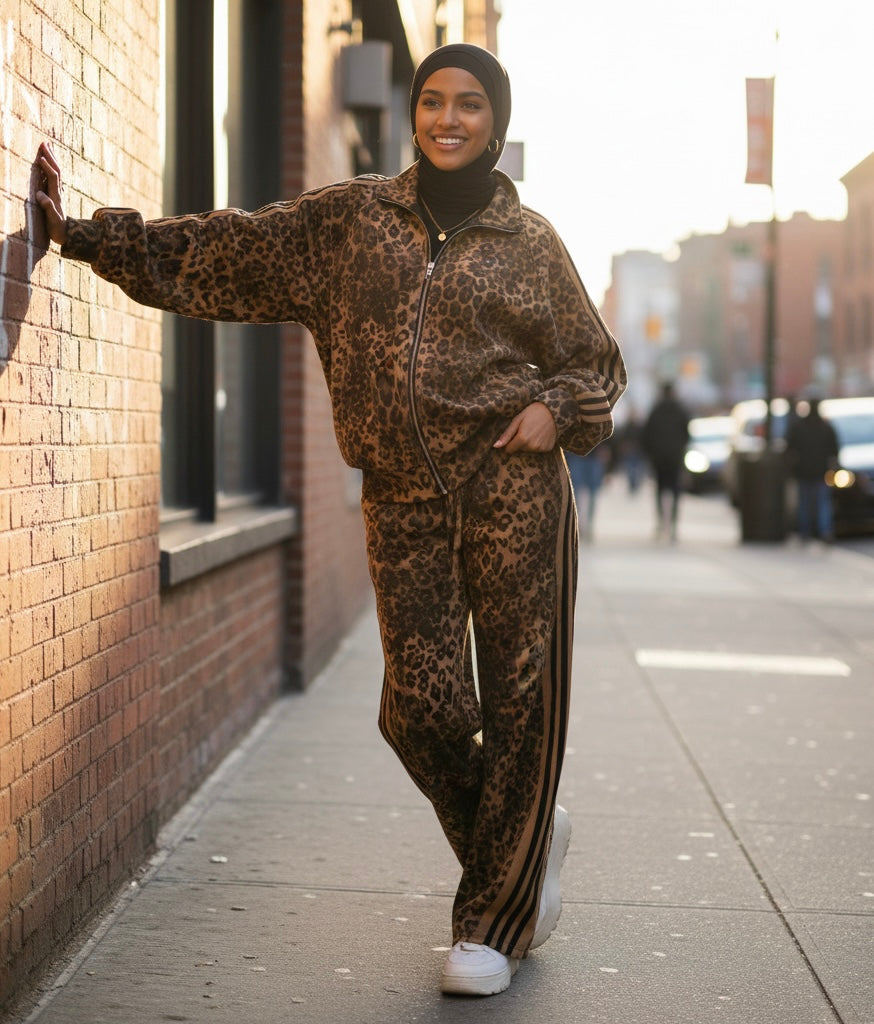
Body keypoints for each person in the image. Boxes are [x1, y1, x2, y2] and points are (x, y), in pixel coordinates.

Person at [36, 43, 626, 998]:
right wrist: (87, 239)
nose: (446, 118)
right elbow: (227, 250)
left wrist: (558, 411)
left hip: (514, 490)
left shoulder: (533, 244)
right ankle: (520, 840)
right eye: (432, 99)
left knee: (522, 705)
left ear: (495, 122)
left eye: (468, 104)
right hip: (402, 498)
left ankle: (492, 923)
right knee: (420, 710)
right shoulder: (353, 222)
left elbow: (596, 365)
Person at [785, 398, 840, 542]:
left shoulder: (799, 426)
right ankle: (824, 531)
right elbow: (835, 449)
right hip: (821, 471)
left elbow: (789, 447)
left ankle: (806, 532)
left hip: (803, 471)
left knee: (805, 503)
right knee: (822, 503)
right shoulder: (825, 427)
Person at [642, 382, 689, 540]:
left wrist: (650, 454)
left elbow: (647, 434)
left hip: (659, 458)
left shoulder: (656, 410)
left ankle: (661, 521)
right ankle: (674, 524)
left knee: (660, 490)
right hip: (675, 458)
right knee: (675, 490)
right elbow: (687, 434)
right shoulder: (681, 410)